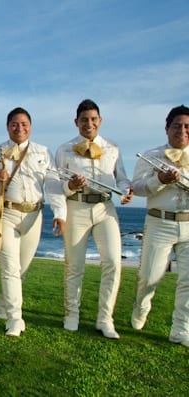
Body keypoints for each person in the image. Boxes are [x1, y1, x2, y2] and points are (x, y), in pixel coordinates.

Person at [0, 107, 66, 337]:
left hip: (35, 215)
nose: (19, 128)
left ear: (30, 126)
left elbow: (53, 183)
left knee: (21, 269)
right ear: (8, 127)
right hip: (7, 214)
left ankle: (3, 303)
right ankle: (15, 319)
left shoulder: (42, 152)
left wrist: (60, 213)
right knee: (10, 269)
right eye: (15, 124)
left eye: (24, 124)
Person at [55, 99, 133, 339]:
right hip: (76, 207)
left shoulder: (113, 147)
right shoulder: (64, 149)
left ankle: (105, 318)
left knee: (112, 262)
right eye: (84, 120)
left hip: (105, 209)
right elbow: (57, 186)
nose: (89, 123)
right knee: (74, 266)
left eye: (93, 119)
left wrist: (126, 191)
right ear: (76, 122)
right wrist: (70, 185)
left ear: (100, 121)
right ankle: (72, 314)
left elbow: (121, 179)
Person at [131, 105, 189, 347]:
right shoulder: (152, 155)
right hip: (159, 222)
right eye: (177, 126)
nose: (182, 131)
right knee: (149, 277)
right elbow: (138, 188)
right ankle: (141, 306)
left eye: (187, 127)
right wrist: (160, 180)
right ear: (167, 128)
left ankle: (181, 330)